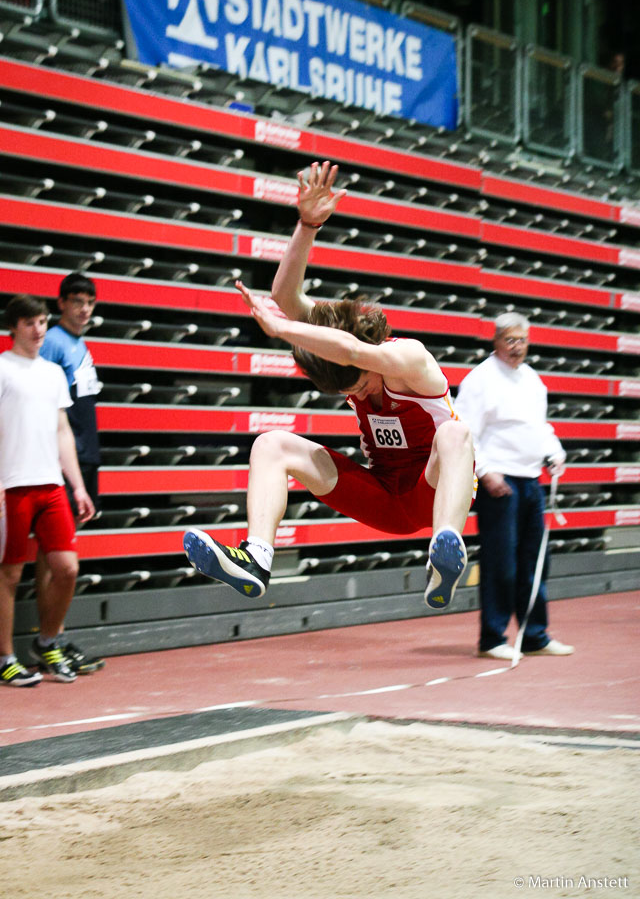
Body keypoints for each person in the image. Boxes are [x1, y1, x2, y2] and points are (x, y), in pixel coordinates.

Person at [184, 160, 476, 610]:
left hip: (429, 491)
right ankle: (256, 559)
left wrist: (281, 332)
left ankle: (444, 554)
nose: (356, 395)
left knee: (456, 433)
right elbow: (285, 298)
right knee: (271, 444)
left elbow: (354, 353)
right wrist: (306, 224)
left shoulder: (409, 359)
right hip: (381, 495)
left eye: (359, 385)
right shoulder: (342, 356)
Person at [454, 312, 574, 660]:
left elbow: (539, 428)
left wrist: (555, 452)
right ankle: (492, 639)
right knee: (501, 563)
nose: (517, 347)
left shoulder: (533, 381)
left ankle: (535, 635)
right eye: (510, 340)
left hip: (531, 481)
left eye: (522, 340)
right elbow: (463, 433)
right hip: (499, 483)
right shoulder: (480, 380)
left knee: (535, 562)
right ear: (496, 341)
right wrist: (486, 472)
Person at [0, 294, 94, 687]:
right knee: (9, 574)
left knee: (67, 568)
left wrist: (78, 485)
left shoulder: (54, 373)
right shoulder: (2, 368)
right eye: (31, 323)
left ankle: (47, 641)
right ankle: (5, 657)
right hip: (11, 485)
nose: (40, 330)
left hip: (51, 484)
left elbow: (62, 431)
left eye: (42, 322)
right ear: (14, 328)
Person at [36, 273, 105, 675]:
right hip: (62, 460)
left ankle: (53, 637)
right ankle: (50, 641)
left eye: (90, 302)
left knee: (59, 552)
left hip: (84, 457)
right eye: (77, 300)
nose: (84, 308)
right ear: (60, 303)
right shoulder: (54, 344)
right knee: (53, 555)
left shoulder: (79, 345)